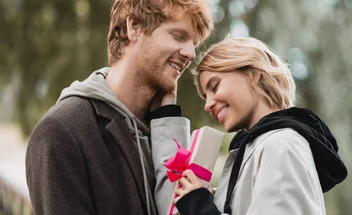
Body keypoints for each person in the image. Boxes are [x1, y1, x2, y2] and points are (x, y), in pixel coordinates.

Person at [24, 0, 213, 214]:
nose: (190, 54)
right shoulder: (61, 130)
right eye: (178, 36)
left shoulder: (165, 133)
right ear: (134, 27)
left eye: (194, 44)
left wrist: (169, 122)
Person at [171, 37, 348, 215]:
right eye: (205, 97)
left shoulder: (281, 145)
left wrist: (200, 208)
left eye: (215, 87)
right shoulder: (254, 150)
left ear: (252, 74)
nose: (207, 105)